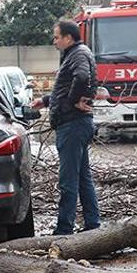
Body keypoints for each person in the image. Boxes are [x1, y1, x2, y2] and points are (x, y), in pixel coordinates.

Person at [32, 20, 100, 235]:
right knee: (82, 177)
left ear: (68, 37)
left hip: (72, 125)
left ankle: (64, 231)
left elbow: (81, 78)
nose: (54, 41)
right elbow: (67, 87)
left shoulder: (78, 54)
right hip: (75, 123)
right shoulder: (77, 53)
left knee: (68, 180)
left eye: (57, 37)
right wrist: (45, 100)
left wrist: (73, 102)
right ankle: (93, 224)